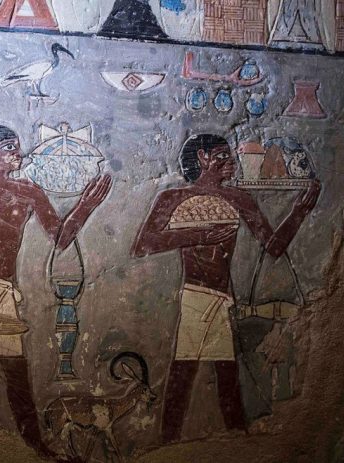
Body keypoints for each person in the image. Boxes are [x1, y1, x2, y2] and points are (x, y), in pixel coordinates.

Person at [0, 124, 111, 458]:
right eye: (10, 147)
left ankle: (14, 441)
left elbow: (60, 238)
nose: (19, 153)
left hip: (5, 290)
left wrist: (85, 206)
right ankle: (15, 442)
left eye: (17, 147)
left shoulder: (28, 191)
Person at [131, 134, 320, 443]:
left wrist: (300, 211)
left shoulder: (238, 198)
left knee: (223, 372)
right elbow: (143, 244)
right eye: (222, 155)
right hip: (196, 295)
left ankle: (226, 436)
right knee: (191, 371)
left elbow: (273, 247)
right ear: (202, 158)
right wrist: (199, 235)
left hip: (222, 297)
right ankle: (176, 441)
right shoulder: (173, 197)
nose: (231, 161)